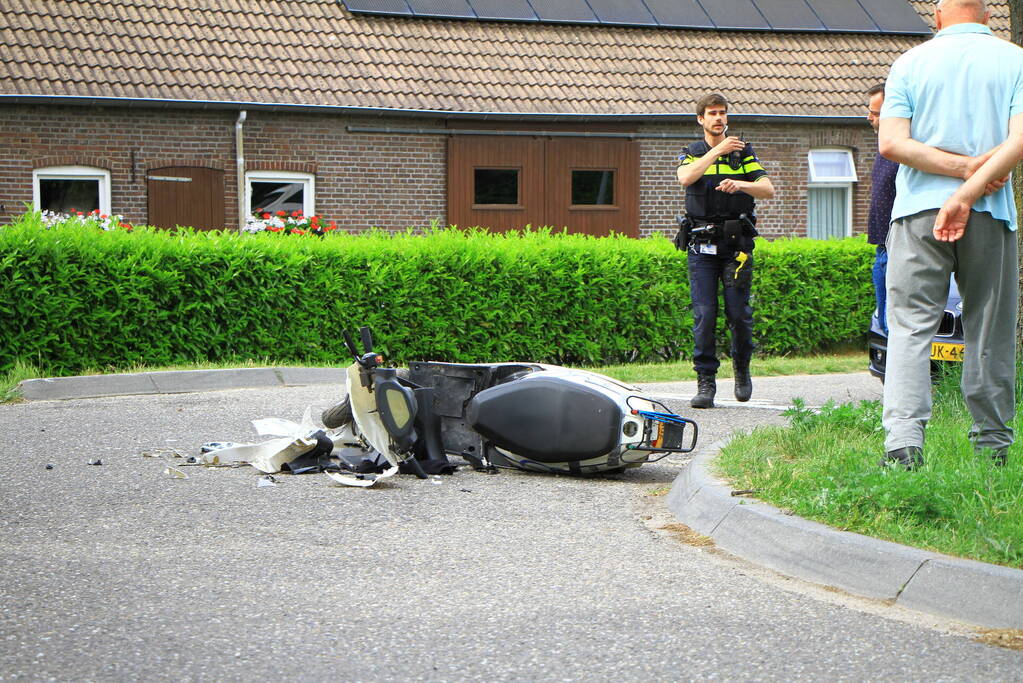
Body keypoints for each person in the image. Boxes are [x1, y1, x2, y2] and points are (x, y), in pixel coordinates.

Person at [878, 0, 1023, 469]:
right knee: (989, 329)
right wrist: (971, 186)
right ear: (985, 16)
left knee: (910, 326)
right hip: (990, 212)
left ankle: (903, 446)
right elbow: (1019, 140)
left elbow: (891, 143)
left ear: (938, 18)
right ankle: (993, 448)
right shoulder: (1015, 59)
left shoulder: (908, 63)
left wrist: (956, 173)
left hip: (918, 212)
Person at [676, 93, 774, 409]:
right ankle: (706, 383)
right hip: (701, 247)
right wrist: (717, 150)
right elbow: (686, 178)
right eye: (712, 113)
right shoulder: (691, 153)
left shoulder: (742, 153)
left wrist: (741, 184)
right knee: (705, 315)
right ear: (701, 119)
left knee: (739, 316)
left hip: (736, 248)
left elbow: (768, 189)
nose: (718, 118)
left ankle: (742, 369)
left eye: (722, 113)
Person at [866, 83, 898, 334]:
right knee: (886, 323)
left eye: (875, 113)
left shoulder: (901, 149)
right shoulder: (883, 148)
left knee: (894, 322)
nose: (870, 118)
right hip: (883, 247)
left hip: (897, 248)